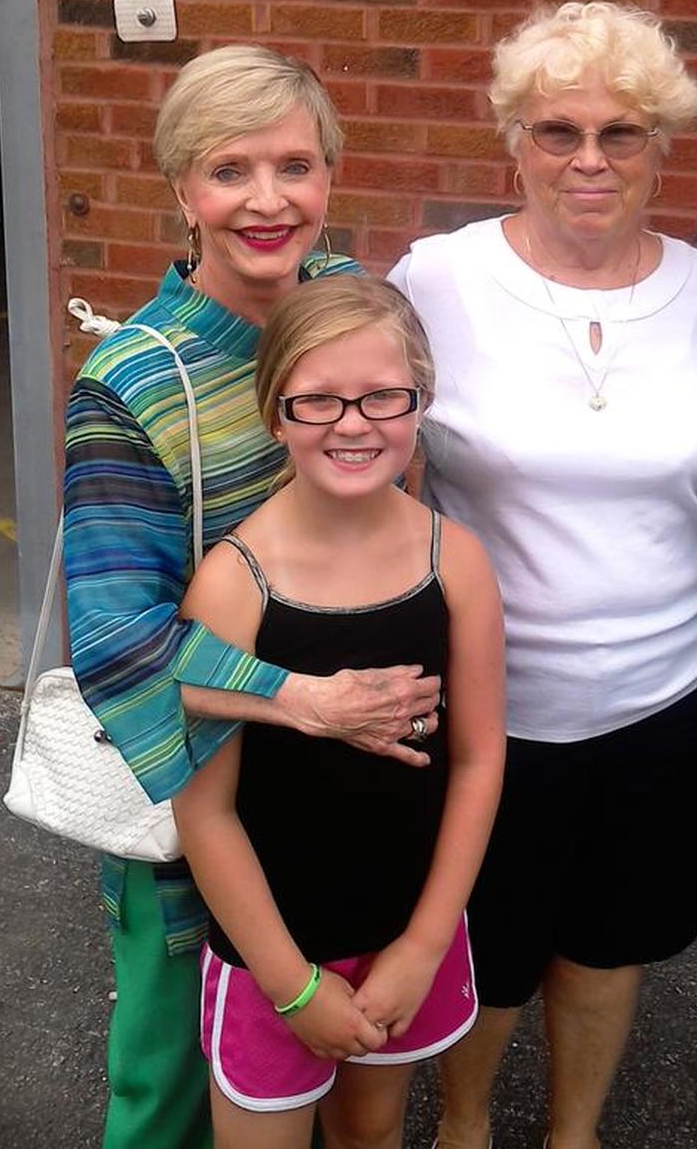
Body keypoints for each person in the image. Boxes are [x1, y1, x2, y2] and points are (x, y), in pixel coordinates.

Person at [65, 46, 441, 1149]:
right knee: (173, 1085)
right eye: (231, 169)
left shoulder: (348, 307)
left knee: (325, 1072)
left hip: (346, 797)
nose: (268, 200)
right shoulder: (133, 383)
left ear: (331, 173)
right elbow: (123, 647)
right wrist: (309, 699)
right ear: (181, 189)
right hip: (204, 798)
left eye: (296, 164)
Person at [389, 0, 697, 1149]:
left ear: (662, 145)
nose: (588, 159)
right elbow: (369, 453)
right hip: (495, 691)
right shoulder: (438, 278)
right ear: (513, 139)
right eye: (557, 130)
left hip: (670, 686)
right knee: (487, 938)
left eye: (621, 132)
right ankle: (465, 1123)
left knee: (609, 936)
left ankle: (575, 1132)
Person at [173, 274, 505, 1149]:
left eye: (383, 396)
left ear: (421, 401)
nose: (354, 424)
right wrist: (290, 984)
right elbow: (203, 810)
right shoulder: (234, 585)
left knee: (372, 1132)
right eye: (318, 400)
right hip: (271, 954)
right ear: (275, 410)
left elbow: (477, 759)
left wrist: (425, 945)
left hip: (404, 934)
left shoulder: (456, 562)